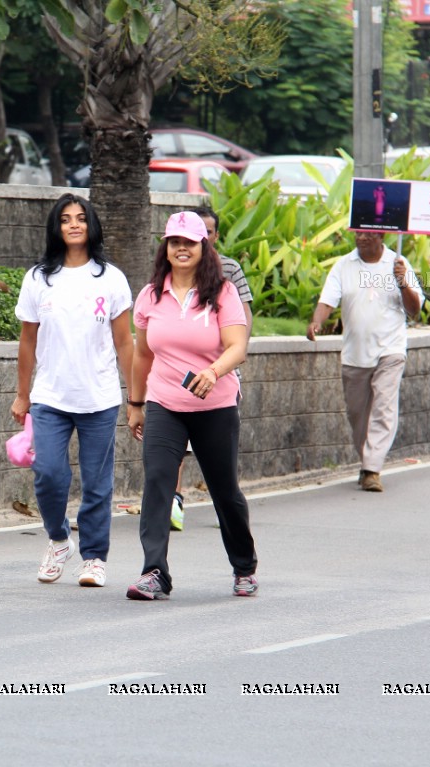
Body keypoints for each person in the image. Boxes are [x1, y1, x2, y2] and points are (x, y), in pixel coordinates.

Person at [126, 211, 256, 601]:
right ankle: (154, 572)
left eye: (190, 242)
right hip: (165, 403)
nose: (181, 248)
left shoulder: (222, 293)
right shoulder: (151, 295)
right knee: (157, 482)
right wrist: (135, 403)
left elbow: (238, 347)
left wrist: (214, 372)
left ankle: (244, 566)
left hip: (215, 406)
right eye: (174, 241)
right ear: (165, 247)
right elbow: (142, 355)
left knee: (224, 489)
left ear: (204, 247)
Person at [12, 193, 134, 588]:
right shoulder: (38, 278)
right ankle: (59, 539)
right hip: (50, 396)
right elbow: (27, 341)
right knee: (48, 473)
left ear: (91, 225)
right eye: (66, 219)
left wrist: (136, 397)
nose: (74, 225)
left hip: (98, 396)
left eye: (81, 218)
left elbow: (125, 343)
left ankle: (94, 558)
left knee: (98, 484)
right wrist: (22, 394)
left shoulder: (110, 278)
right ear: (56, 227)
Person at [307, 230, 424, 492]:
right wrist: (316, 321)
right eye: (359, 232)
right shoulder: (343, 265)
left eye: (369, 233)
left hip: (390, 350)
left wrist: (403, 282)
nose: (362, 237)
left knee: (383, 408)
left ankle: (372, 469)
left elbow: (414, 310)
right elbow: (327, 301)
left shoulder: (398, 264)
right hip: (355, 354)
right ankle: (367, 461)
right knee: (357, 414)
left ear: (382, 235)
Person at [170, 205, 254, 531]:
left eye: (207, 231)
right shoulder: (170, 274)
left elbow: (243, 321)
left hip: (220, 373)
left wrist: (230, 357)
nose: (200, 238)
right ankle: (173, 500)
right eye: (193, 232)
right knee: (173, 441)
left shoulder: (229, 270)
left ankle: (225, 499)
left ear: (215, 236)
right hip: (177, 376)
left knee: (219, 447)